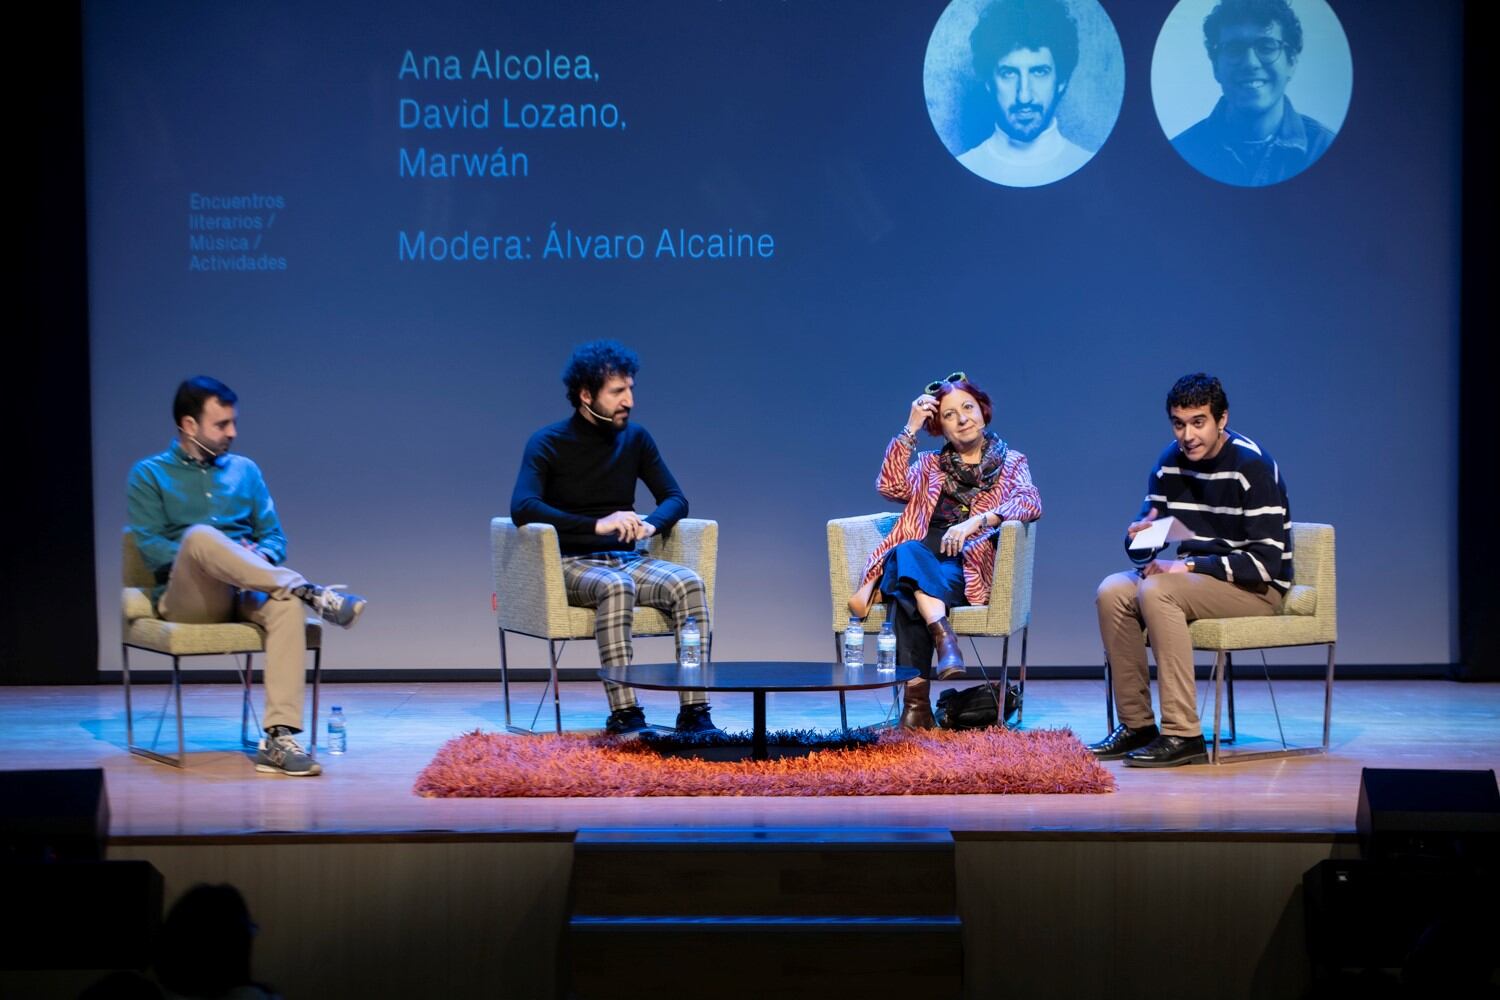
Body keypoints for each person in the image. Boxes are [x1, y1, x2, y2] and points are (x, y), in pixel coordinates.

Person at [127, 376, 366, 777]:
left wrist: (260, 554)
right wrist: (217, 554)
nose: (232, 433)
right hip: (190, 598)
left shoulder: (246, 471)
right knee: (201, 537)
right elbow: (151, 548)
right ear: (189, 426)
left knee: (286, 606)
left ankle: (278, 739)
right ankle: (311, 591)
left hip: (246, 590)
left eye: (233, 423)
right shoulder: (150, 475)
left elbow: (274, 537)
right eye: (221, 425)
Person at [510, 340, 715, 736]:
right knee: (616, 586)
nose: (629, 401)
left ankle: (695, 711)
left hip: (626, 558)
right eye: (618, 392)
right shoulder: (547, 442)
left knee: (688, 583)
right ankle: (625, 713)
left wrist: (651, 525)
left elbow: (675, 498)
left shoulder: (635, 439)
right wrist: (597, 525)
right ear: (586, 395)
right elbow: (523, 506)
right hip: (571, 563)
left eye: (631, 390)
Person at [1090, 373, 1290, 767]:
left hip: (1255, 588)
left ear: (1221, 420)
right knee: (1113, 589)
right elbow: (1148, 544)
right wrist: (1139, 540)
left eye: (1198, 422)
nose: (1188, 435)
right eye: (1179, 424)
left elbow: (1266, 565)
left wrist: (1188, 566)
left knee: (1158, 590)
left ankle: (1184, 733)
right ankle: (1138, 725)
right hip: (1197, 579)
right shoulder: (1170, 464)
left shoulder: (1252, 467)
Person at [849, 373, 1042, 728]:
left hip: (965, 565)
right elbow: (889, 486)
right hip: (921, 551)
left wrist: (978, 521)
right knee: (907, 553)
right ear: (940, 427)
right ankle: (944, 637)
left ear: (983, 413)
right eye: (950, 415)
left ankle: (917, 709)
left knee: (904, 589)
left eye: (968, 408)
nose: (962, 418)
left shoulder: (1012, 463)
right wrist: (910, 428)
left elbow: (1030, 501)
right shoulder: (927, 465)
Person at [1170, 0, 1336, 187]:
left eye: (1266, 47)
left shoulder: (1328, 150)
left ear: (1292, 62)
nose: (1250, 63)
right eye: (1234, 48)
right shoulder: (1180, 152)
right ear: (1215, 66)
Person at [957, 0, 1094, 187]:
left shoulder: (1090, 166)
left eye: (1039, 72)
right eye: (1009, 73)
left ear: (1061, 81)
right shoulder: (964, 167)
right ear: (989, 82)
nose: (1024, 97)